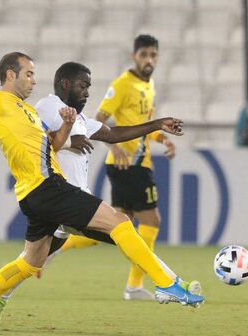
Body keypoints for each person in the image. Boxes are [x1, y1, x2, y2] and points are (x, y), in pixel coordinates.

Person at [0, 52, 204, 332]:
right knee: (120, 222)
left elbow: (51, 145)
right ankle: (166, 284)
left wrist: (66, 129)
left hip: (33, 196)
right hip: (49, 188)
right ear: (11, 75)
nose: (34, 80)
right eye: (29, 73)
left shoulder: (29, 113)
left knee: (29, 262)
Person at [0, 61, 202, 327]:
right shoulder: (47, 106)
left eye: (89, 87)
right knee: (123, 231)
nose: (87, 92)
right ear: (66, 83)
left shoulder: (81, 119)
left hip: (71, 202)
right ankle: (170, 283)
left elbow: (114, 134)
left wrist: (156, 124)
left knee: (32, 260)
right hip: (62, 198)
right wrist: (67, 137)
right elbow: (34, 135)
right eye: (83, 85)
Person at [61, 35, 173, 301]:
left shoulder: (149, 85)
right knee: (151, 220)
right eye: (144, 54)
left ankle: (59, 244)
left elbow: (144, 122)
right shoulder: (123, 84)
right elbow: (99, 119)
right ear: (134, 56)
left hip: (137, 163)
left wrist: (163, 138)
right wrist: (114, 146)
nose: (149, 60)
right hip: (128, 165)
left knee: (113, 226)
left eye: (153, 55)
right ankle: (135, 285)